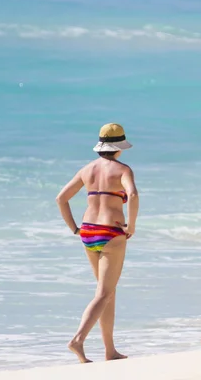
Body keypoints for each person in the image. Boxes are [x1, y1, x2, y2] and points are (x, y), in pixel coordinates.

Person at [56, 123, 139, 363]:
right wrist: (131, 226)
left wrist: (74, 228)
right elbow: (132, 195)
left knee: (106, 292)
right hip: (112, 232)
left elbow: (61, 198)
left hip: (88, 232)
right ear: (120, 148)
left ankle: (109, 350)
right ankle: (78, 340)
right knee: (104, 292)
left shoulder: (87, 169)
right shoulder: (123, 170)